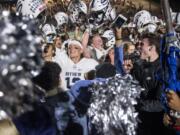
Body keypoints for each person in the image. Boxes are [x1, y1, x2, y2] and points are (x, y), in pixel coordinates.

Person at [123, 34, 174, 135]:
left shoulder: (163, 70)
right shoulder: (138, 66)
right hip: (141, 123)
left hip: (158, 125)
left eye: (142, 44)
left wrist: (136, 105)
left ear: (151, 48)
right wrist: (127, 73)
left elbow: (160, 103)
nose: (138, 46)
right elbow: (133, 89)